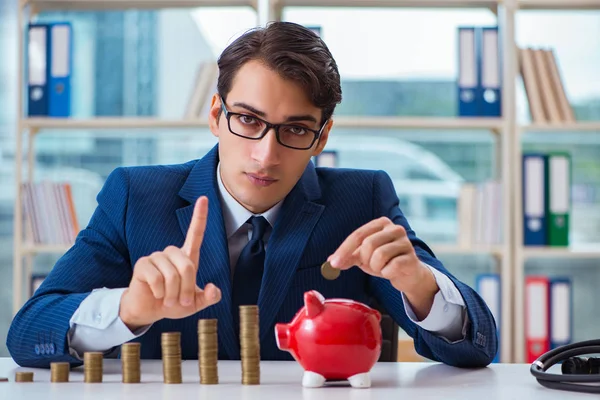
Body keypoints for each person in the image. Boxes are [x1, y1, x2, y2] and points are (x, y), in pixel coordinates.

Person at [7, 21, 497, 368]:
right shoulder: (137, 195)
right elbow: (27, 333)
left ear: (322, 138)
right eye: (248, 120)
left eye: (296, 129)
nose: (266, 155)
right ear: (217, 115)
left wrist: (421, 286)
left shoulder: (361, 199)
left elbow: (477, 347)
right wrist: (127, 311)